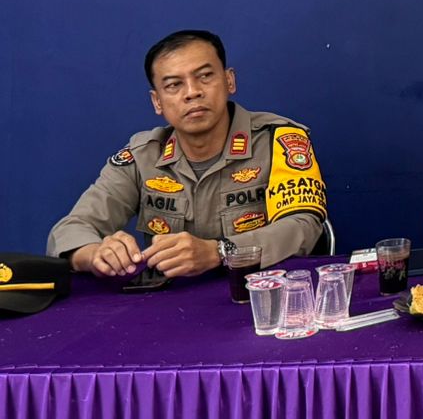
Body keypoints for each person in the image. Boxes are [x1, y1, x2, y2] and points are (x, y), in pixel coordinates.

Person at [47, 30, 327, 277]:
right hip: (170, 305)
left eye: (205, 76)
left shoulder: (279, 140)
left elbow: (303, 227)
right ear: (157, 101)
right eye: (174, 85)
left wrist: (220, 252)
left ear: (229, 81)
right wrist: (95, 254)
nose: (192, 92)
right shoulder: (142, 156)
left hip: (258, 295)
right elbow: (71, 228)